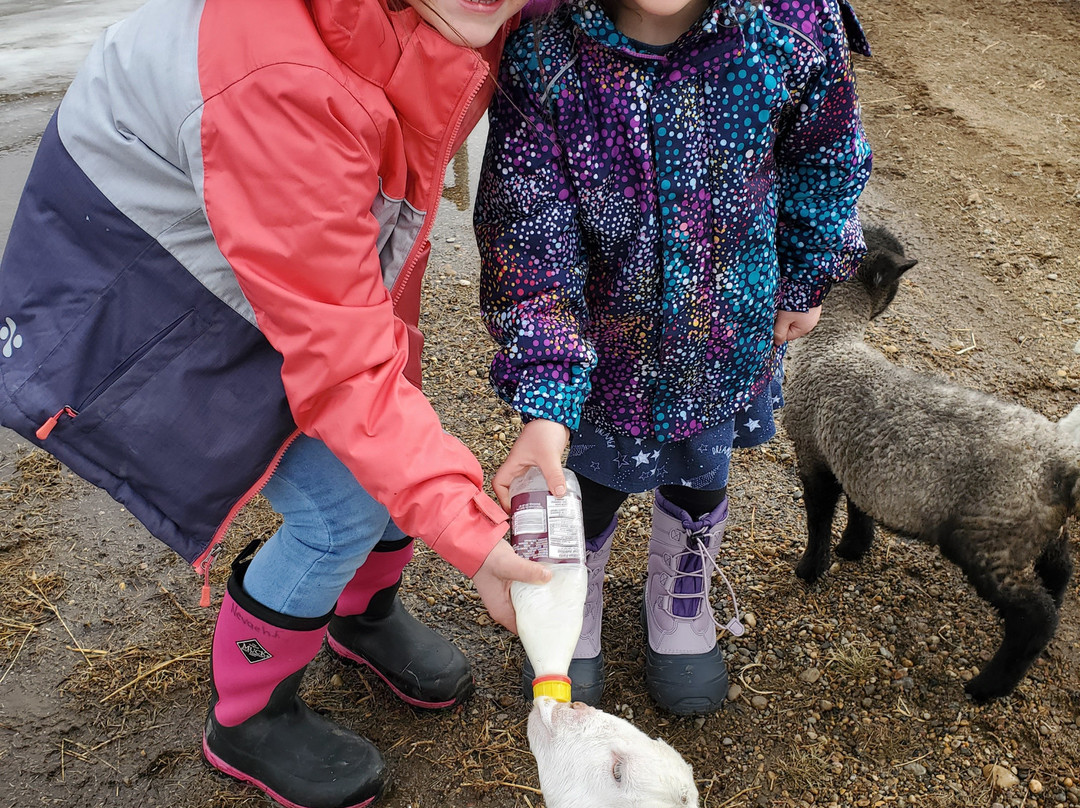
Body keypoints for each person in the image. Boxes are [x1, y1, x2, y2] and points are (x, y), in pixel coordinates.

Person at [0, 0, 550, 806]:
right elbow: (343, 365)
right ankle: (249, 715)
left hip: (272, 255)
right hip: (152, 290)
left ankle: (361, 618)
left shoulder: (457, 17)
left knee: (403, 431)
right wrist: (472, 540)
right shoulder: (280, 76)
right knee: (342, 508)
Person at [475, 0, 872, 714]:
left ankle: (680, 596)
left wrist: (805, 272)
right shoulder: (544, 50)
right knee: (585, 483)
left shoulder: (793, 24)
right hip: (603, 357)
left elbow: (827, 153)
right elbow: (526, 237)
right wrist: (547, 391)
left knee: (701, 471)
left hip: (729, 334)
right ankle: (576, 595)